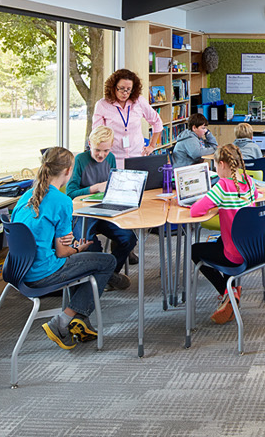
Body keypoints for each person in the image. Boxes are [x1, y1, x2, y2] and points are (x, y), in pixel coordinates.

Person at [14, 147, 118, 347]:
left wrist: (63, 245)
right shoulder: (62, 201)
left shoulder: (26, 196)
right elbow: (63, 253)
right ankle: (63, 320)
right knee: (106, 262)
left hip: (18, 271)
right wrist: (79, 248)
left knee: (84, 266)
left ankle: (80, 321)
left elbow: (33, 233)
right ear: (69, 171)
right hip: (42, 273)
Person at [189, 144, 265, 323]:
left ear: (222, 164)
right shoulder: (249, 182)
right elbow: (255, 197)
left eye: (216, 165)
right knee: (220, 241)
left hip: (236, 254)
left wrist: (214, 203)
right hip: (255, 248)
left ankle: (227, 292)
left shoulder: (222, 186)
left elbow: (195, 211)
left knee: (194, 251)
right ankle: (231, 292)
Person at [69, 125, 137, 289]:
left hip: (105, 210)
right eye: (98, 150)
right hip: (83, 213)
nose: (102, 155)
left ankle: (107, 275)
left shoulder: (111, 158)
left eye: (106, 150)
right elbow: (70, 193)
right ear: (89, 144)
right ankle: (107, 277)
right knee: (90, 244)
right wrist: (95, 188)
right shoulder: (80, 160)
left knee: (129, 238)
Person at [90, 68, 161, 163]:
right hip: (113, 158)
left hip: (137, 156)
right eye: (121, 89)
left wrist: (152, 146)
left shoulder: (139, 101)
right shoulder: (102, 105)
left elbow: (157, 121)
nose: (125, 93)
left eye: (128, 90)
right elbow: (97, 134)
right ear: (113, 87)